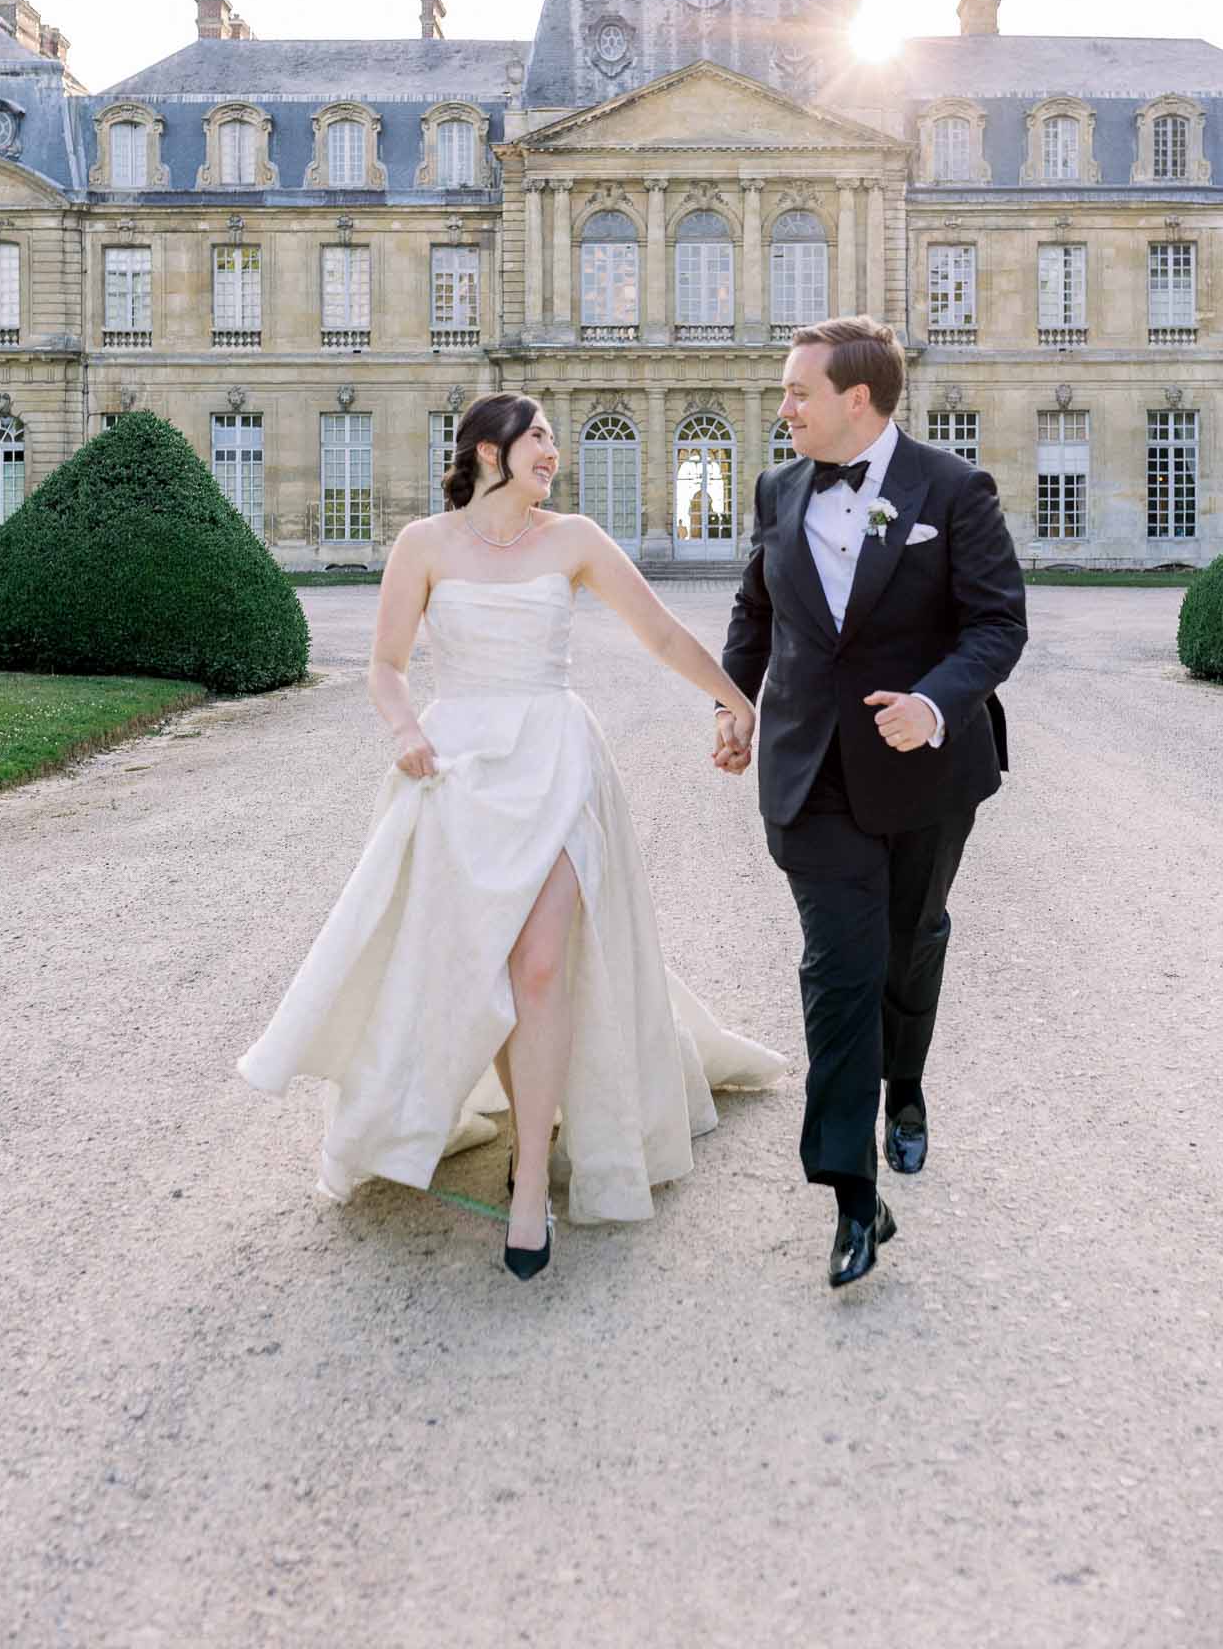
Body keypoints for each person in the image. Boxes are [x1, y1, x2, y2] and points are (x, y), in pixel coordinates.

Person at [239, 392, 785, 1280]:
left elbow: (657, 630)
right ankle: (500, 1112)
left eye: (551, 440)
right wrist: (405, 729)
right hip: (457, 767)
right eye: (537, 437)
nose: (552, 452)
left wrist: (734, 700)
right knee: (480, 963)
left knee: (539, 962)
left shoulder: (572, 539)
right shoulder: (423, 545)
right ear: (489, 451)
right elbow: (383, 665)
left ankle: (530, 1179)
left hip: (556, 757)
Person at [715, 318, 1027, 1289]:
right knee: (838, 969)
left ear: (858, 399)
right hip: (810, 774)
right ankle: (852, 1191)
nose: (783, 407)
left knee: (909, 943)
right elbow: (755, 612)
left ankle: (908, 1086)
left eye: (798, 391)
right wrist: (734, 701)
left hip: (928, 771)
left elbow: (999, 620)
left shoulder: (951, 489)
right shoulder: (776, 490)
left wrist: (934, 701)